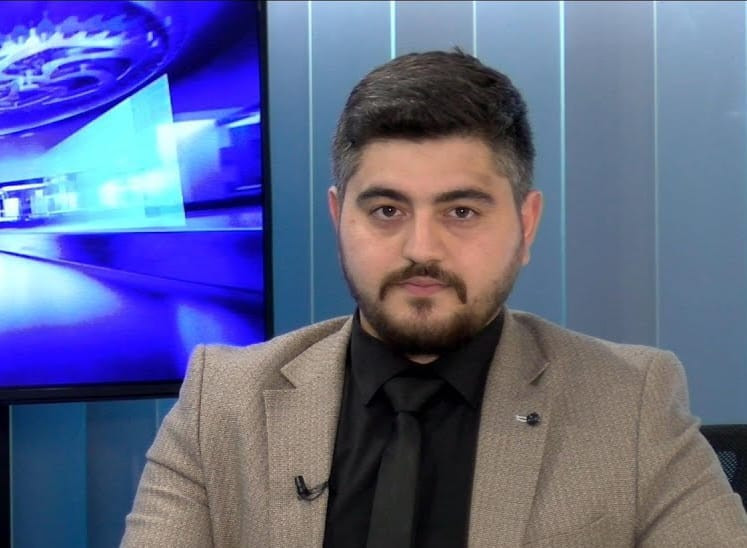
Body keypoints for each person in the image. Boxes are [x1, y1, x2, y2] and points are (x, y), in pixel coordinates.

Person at [121, 50, 747, 547]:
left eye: (462, 211)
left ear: (526, 225)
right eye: (386, 210)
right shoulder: (222, 401)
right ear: (339, 218)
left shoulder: (630, 402)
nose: (422, 248)